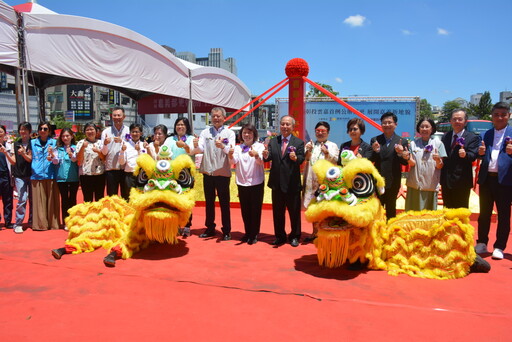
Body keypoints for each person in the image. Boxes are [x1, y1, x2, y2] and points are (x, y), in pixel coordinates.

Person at [475, 102, 512, 260]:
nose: (499, 117)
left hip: (505, 180)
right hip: (486, 179)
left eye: (503, 114)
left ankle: (499, 246)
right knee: (484, 213)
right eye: (496, 114)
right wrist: (480, 153)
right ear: (492, 116)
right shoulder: (486, 134)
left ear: (508, 116)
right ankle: (482, 242)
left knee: (503, 215)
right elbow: (479, 154)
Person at [192, 107, 235, 240]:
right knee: (209, 202)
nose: (216, 118)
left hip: (222, 173)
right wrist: (195, 145)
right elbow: (200, 149)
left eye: (218, 116)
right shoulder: (205, 132)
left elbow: (231, 150)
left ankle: (226, 230)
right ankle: (210, 228)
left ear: (224, 118)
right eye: (213, 116)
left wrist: (222, 146)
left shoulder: (230, 133)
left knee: (224, 203)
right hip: (208, 173)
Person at [263, 115, 305, 247]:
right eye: (283, 124)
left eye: (288, 124)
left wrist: (295, 158)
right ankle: (280, 236)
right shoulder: (274, 141)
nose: (285, 127)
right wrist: (265, 156)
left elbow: (301, 159)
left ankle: (295, 236)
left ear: (292, 127)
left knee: (294, 213)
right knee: (278, 213)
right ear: (279, 126)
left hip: (292, 184)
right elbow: (268, 158)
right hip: (277, 184)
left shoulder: (298, 143)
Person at [229, 124, 265, 244]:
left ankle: (254, 234)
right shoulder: (239, 148)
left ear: (254, 134)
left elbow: (261, 162)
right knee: (245, 210)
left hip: (256, 182)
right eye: (244, 133)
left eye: (249, 133)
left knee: (255, 210)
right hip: (242, 183)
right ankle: (247, 232)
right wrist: (229, 154)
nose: (247, 135)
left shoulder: (259, 146)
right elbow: (234, 161)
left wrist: (256, 155)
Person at [303, 121, 339, 243]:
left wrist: (327, 152)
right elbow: (306, 159)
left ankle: (326, 233)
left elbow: (336, 160)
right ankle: (314, 232)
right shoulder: (311, 144)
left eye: (323, 131)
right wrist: (308, 150)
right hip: (311, 181)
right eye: (318, 131)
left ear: (328, 133)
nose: (320, 133)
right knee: (313, 207)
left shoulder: (333, 145)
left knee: (325, 208)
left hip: (326, 183)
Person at [370, 112, 408, 220]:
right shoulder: (375, 140)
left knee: (391, 208)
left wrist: (400, 153)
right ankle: (378, 231)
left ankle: (390, 232)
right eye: (384, 123)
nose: (387, 125)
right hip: (379, 179)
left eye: (389, 122)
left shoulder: (402, 141)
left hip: (393, 179)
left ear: (395, 124)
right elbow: (371, 160)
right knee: (378, 208)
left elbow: (405, 162)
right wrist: (375, 151)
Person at [440, 109, 481, 209]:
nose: (457, 122)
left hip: (462, 181)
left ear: (465, 121)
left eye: (460, 119)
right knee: (447, 211)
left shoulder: (472, 137)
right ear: (450, 121)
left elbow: (473, 155)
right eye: (454, 119)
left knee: (461, 212)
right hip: (446, 181)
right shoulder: (446, 136)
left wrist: (465, 155)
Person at [404, 118, 446, 211]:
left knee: (427, 215)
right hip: (415, 184)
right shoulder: (413, 144)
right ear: (419, 129)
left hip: (430, 184)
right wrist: (407, 158)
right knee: (413, 213)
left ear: (432, 129)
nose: (424, 129)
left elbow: (440, 166)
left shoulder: (438, 144)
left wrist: (438, 159)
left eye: (427, 127)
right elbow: (412, 163)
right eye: (422, 126)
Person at [163, 118, 195, 236]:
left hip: (186, 175)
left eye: (182, 125)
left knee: (186, 200)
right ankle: (175, 225)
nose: (180, 127)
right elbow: (163, 153)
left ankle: (187, 225)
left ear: (187, 127)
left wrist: (185, 146)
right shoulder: (169, 139)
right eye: (178, 124)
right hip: (171, 174)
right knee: (173, 201)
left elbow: (193, 151)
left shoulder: (191, 139)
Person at [30, 122, 60, 231]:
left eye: (45, 129)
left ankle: (53, 224)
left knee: (52, 201)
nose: (43, 130)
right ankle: (40, 224)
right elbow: (29, 156)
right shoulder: (32, 143)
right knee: (39, 203)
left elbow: (57, 159)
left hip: (51, 174)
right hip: (36, 175)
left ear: (49, 131)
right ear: (38, 130)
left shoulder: (54, 142)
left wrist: (51, 155)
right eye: (41, 128)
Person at [8, 122, 33, 233]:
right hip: (19, 175)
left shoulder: (33, 143)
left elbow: (30, 159)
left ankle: (32, 220)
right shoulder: (15, 144)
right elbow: (13, 161)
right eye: (21, 129)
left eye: (25, 129)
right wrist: (6, 153)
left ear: (29, 131)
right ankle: (18, 223)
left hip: (32, 174)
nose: (23, 132)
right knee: (22, 199)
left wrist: (23, 153)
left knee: (33, 200)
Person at [51, 128, 79, 228]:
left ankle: (73, 219)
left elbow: (76, 160)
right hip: (61, 177)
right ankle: (66, 221)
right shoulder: (58, 149)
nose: (65, 138)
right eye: (63, 136)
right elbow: (55, 161)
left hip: (73, 177)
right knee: (64, 199)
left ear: (72, 136)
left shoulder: (76, 147)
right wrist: (52, 156)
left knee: (72, 199)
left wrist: (71, 154)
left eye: (67, 136)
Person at [101, 106, 130, 199]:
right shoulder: (106, 132)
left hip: (126, 169)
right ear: (111, 117)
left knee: (126, 196)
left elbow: (131, 147)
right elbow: (104, 153)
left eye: (119, 115)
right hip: (111, 169)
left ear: (124, 117)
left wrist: (122, 141)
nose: (117, 117)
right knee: (112, 197)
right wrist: (105, 144)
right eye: (115, 115)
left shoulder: (129, 131)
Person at [76, 123, 105, 202]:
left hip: (99, 174)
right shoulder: (81, 143)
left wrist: (98, 152)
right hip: (86, 176)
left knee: (100, 199)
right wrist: (83, 147)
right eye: (87, 130)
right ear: (84, 132)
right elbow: (79, 159)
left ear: (96, 131)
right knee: (88, 200)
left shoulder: (101, 143)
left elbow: (104, 158)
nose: (90, 131)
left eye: (92, 129)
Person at [119, 123, 147, 194]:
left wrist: (139, 150)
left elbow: (144, 161)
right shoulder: (125, 144)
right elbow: (122, 162)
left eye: (137, 132)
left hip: (141, 175)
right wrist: (122, 151)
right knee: (129, 195)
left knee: (140, 194)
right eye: (133, 132)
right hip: (129, 174)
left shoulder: (144, 145)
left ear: (141, 133)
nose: (135, 133)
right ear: (130, 133)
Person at [0, 125, 13, 230]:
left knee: (8, 200)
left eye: (1, 132)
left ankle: (8, 221)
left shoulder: (9, 146)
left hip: (6, 176)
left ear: (4, 133)